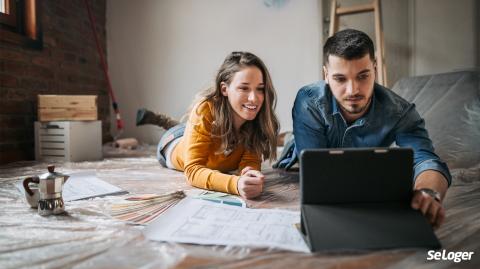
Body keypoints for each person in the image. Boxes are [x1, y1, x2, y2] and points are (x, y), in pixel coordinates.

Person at [274, 29, 451, 229]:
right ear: (326, 75)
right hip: (310, 142)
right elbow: (317, 173)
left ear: (374, 68)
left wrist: (428, 193)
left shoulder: (400, 112)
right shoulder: (309, 101)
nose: (353, 90)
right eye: (340, 79)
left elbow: (426, 160)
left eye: (363, 76)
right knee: (293, 142)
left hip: (358, 151)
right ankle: (285, 137)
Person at [137, 51, 279, 199]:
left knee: (187, 126)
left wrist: (249, 174)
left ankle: (179, 123)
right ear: (225, 89)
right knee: (177, 128)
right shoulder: (205, 110)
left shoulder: (258, 120)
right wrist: (235, 184)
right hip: (173, 142)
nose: (254, 98)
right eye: (244, 88)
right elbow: (193, 170)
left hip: (203, 131)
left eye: (260, 89)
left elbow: (250, 160)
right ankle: (159, 119)